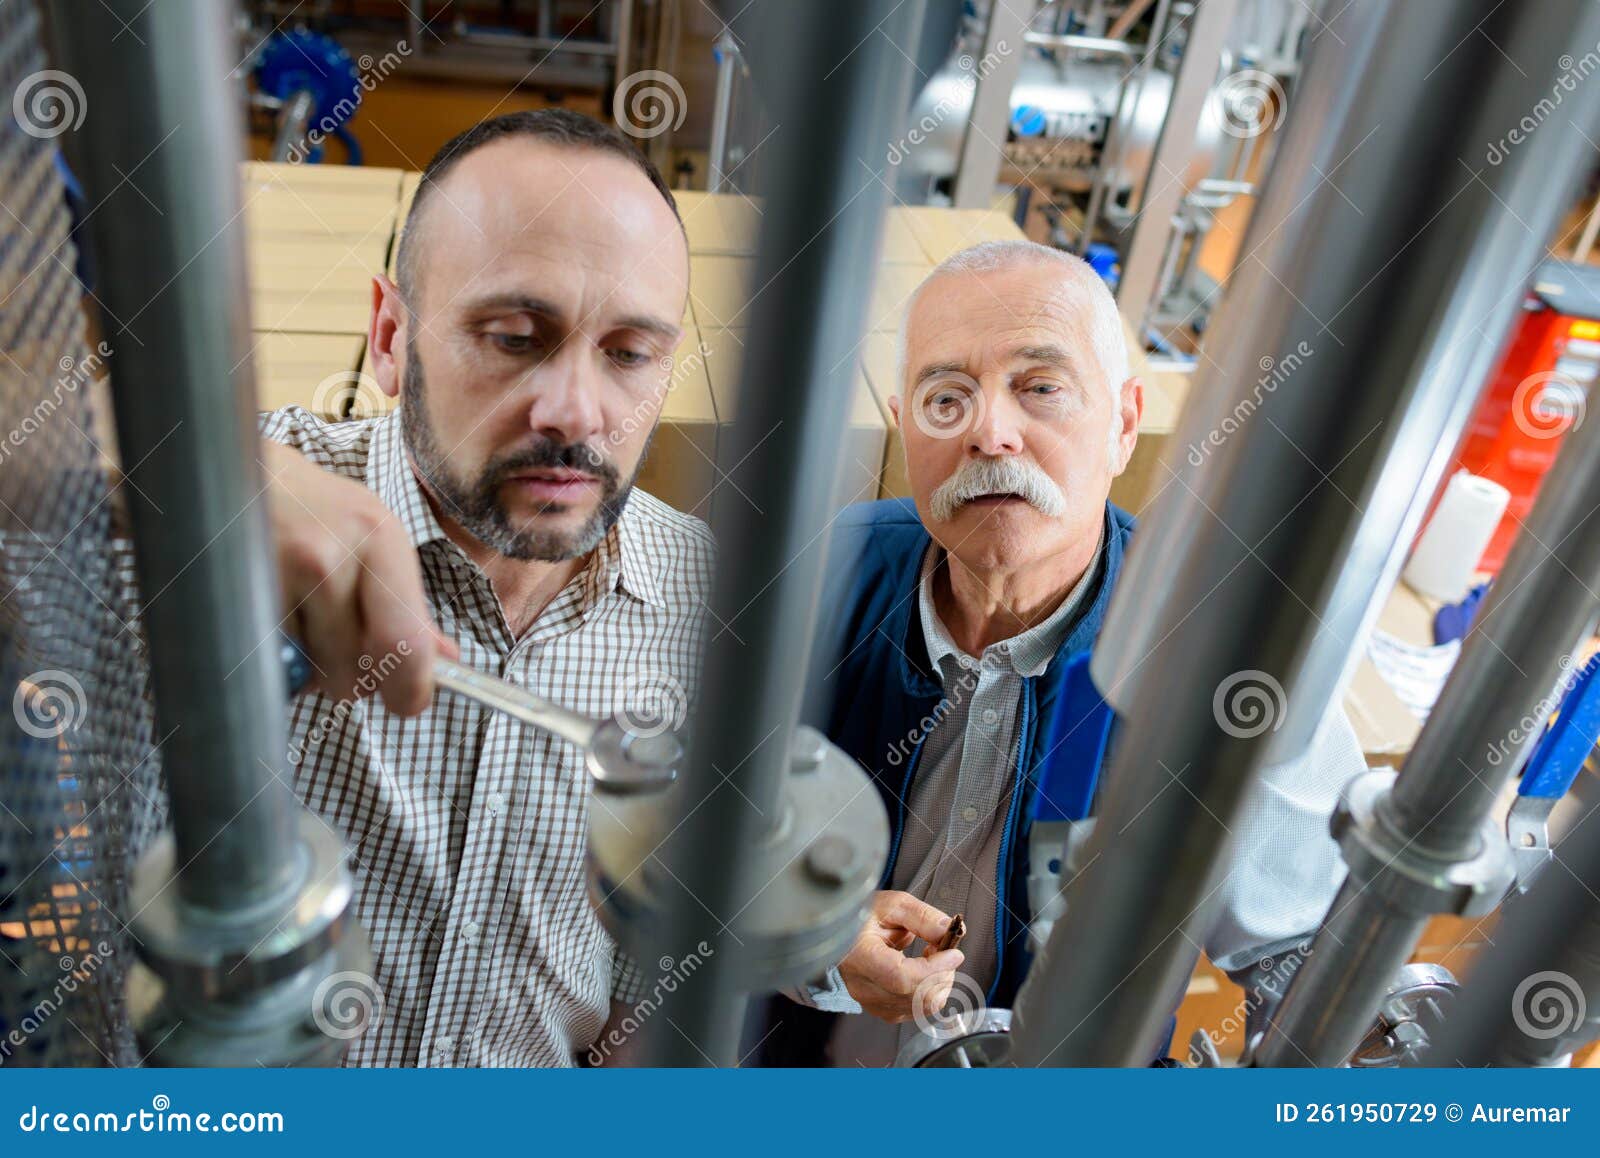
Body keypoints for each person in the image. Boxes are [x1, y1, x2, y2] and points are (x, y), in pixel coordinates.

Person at [761, 239, 1365, 1066]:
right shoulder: (815, 581)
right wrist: (811, 928)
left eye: (1040, 388)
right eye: (947, 398)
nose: (991, 433)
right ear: (905, 430)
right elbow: (688, 835)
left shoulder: (1228, 645)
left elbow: (1310, 955)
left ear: (1122, 424)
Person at [259, 109, 712, 1066]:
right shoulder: (264, 502)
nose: (575, 411)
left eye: (630, 353)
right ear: (389, 335)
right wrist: (198, 473)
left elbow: (652, 965)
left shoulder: (708, 604)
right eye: (513, 336)